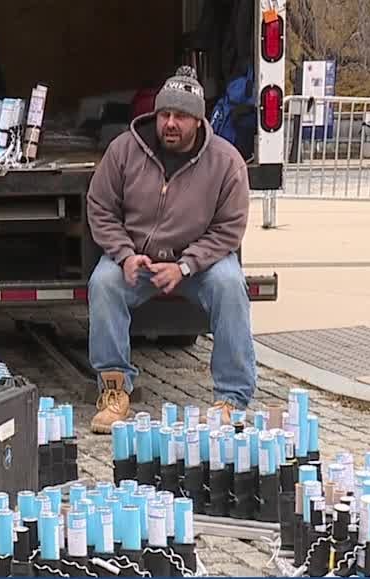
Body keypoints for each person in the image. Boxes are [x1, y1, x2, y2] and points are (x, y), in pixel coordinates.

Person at [84, 66, 255, 434]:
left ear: (198, 120)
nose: (171, 124)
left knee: (230, 284)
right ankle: (114, 389)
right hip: (138, 259)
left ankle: (231, 398)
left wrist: (186, 266)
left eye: (181, 116)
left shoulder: (227, 161)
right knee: (104, 283)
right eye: (165, 114)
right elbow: (100, 207)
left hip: (198, 263)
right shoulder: (123, 150)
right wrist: (124, 254)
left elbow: (229, 228)